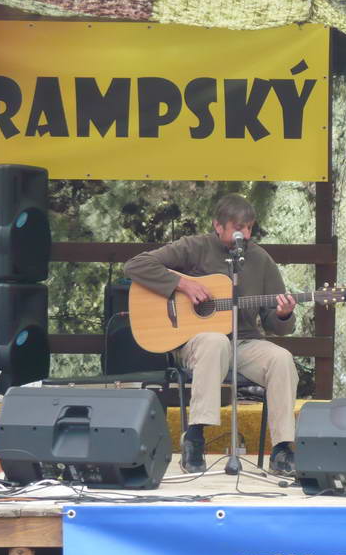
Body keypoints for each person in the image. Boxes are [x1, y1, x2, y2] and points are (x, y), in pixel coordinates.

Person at [124, 194, 299, 476]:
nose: (245, 235)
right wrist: (183, 284)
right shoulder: (194, 247)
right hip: (198, 343)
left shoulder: (260, 260)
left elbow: (275, 325)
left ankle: (281, 449)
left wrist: (283, 315)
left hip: (244, 342)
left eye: (249, 228)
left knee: (282, 359)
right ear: (218, 226)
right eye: (238, 228)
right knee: (215, 341)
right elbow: (135, 265)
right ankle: (195, 437)